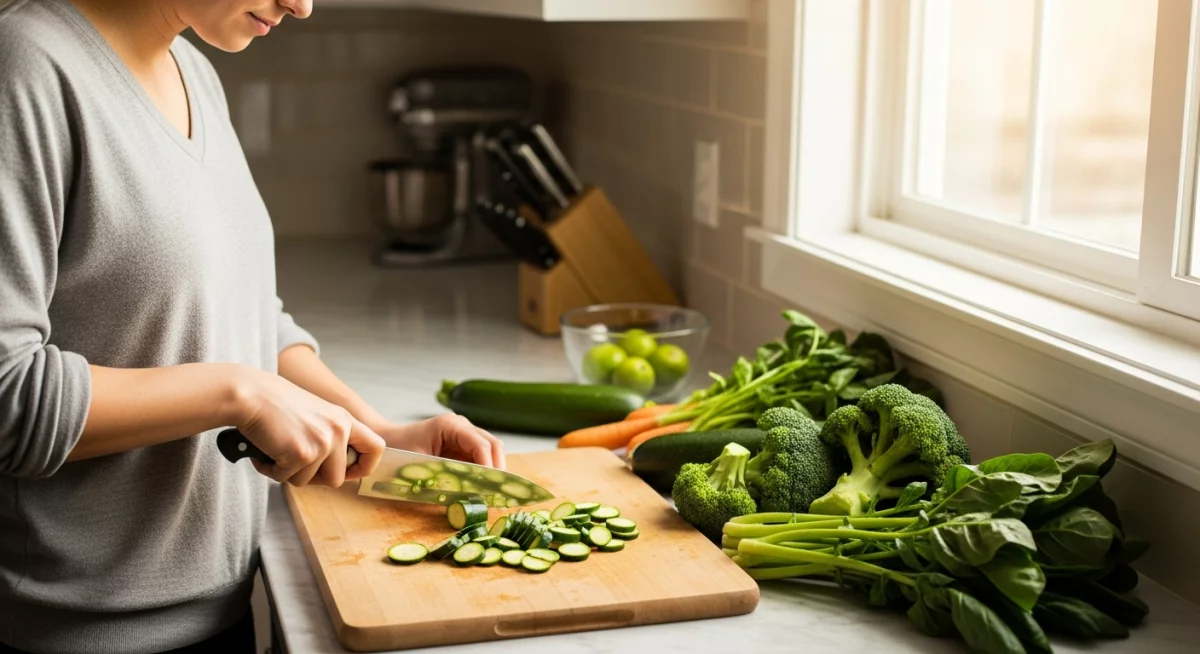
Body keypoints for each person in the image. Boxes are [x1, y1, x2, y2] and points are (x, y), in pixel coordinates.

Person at [0, 1, 506, 652]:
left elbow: (241, 315)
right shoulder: (25, 67)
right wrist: (236, 393)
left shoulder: (194, 70)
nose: (302, 4)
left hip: (222, 606)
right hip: (77, 634)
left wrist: (380, 436)